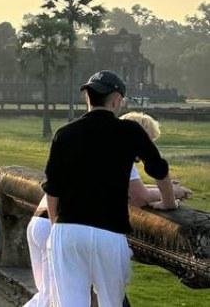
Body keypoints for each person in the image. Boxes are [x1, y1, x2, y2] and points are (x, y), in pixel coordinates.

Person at [24, 110, 192, 307]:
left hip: (42, 222)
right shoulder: (121, 151)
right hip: (61, 225)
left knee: (50, 295)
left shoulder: (93, 147)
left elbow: (126, 187)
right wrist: (172, 193)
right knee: (50, 298)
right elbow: (139, 196)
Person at [43, 70, 176, 307]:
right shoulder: (129, 131)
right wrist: (169, 202)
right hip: (108, 231)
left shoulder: (65, 134)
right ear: (116, 100)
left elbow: (53, 188)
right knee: (111, 303)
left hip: (68, 229)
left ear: (88, 97)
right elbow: (159, 170)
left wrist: (56, 228)